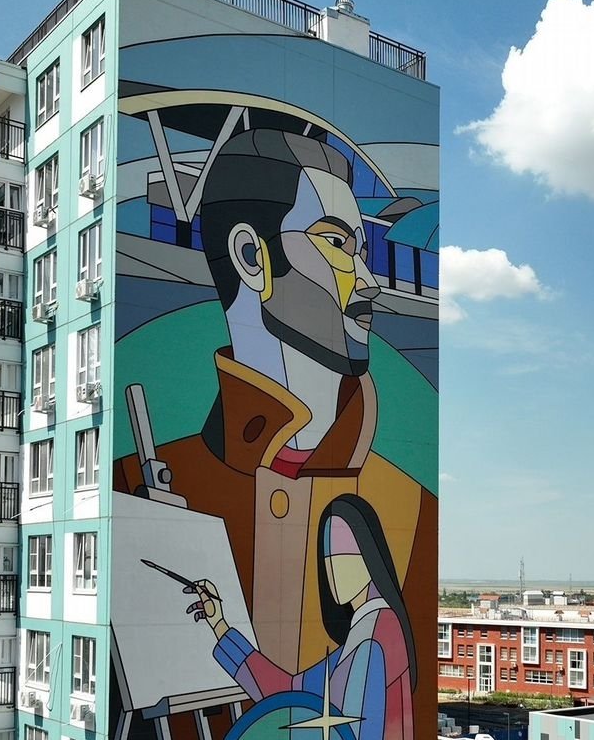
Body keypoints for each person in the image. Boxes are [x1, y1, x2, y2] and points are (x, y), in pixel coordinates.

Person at [114, 125, 436, 738]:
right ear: (252, 258)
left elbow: (310, 702)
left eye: (362, 251)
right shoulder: (131, 485)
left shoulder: (417, 512)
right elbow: (294, 690)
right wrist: (221, 628)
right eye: (337, 244)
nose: (369, 281)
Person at [187, 496, 416, 740]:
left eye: (343, 555)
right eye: (327, 557)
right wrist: (220, 625)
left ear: (369, 555)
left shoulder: (373, 637)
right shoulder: (367, 632)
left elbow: (356, 731)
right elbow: (289, 691)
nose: (333, 569)